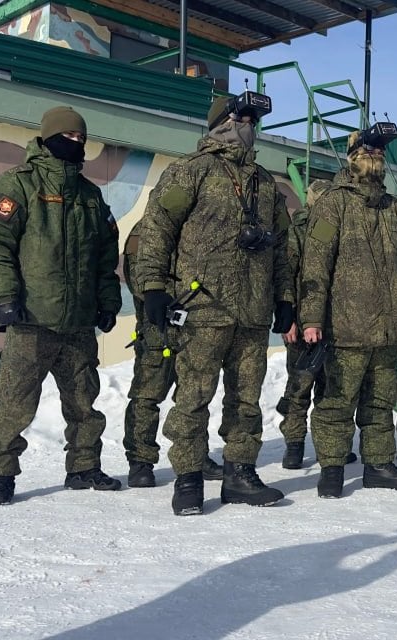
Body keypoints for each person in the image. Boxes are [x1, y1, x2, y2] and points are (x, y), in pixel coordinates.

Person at [137, 93, 291, 516]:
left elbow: (283, 248)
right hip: (203, 306)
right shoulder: (190, 172)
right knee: (193, 396)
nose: (248, 125)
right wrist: (152, 285)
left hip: (253, 310)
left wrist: (285, 297)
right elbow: (157, 231)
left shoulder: (266, 183)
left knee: (246, 399)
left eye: (253, 119)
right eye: (241, 116)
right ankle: (187, 480)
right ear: (221, 122)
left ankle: (239, 473)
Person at [0, 106, 123, 505]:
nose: (76, 144)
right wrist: (4, 298)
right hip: (31, 319)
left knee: (84, 403)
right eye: (69, 137)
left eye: (81, 139)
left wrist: (107, 302)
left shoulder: (90, 196)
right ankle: (1, 474)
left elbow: (106, 258)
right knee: (15, 403)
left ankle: (84, 467)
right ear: (49, 138)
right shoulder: (19, 185)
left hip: (77, 322)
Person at [299, 125, 397, 498]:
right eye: (368, 150)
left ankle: (379, 464)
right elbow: (315, 263)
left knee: (380, 401)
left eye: (381, 152)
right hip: (345, 327)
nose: (376, 157)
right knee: (336, 400)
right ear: (351, 156)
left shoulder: (393, 208)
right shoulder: (333, 202)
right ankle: (332, 468)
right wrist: (311, 318)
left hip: (388, 328)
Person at [121, 218, 224, 487]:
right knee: (147, 394)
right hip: (158, 327)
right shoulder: (147, 228)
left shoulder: (200, 225)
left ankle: (195, 455)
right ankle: (140, 461)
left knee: (194, 395)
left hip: (195, 326)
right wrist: (169, 299)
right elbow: (137, 276)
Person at [275, 178, 356, 470]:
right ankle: (294, 445)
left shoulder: (343, 230)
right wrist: (289, 319)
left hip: (337, 323)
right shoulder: (296, 232)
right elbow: (287, 276)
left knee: (331, 389)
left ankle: (329, 446)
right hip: (301, 321)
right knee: (299, 387)